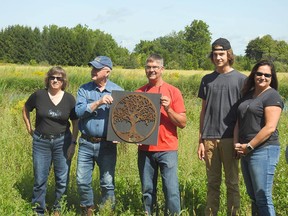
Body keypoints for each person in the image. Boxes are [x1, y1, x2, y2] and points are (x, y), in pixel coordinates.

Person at [197, 38, 246, 216]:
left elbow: (244, 114)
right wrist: (200, 140)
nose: (218, 58)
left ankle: (234, 213)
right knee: (212, 183)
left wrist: (238, 140)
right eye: (215, 54)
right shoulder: (207, 80)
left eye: (221, 54)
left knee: (232, 183)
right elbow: (203, 111)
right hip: (209, 138)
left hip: (230, 139)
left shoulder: (241, 80)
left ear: (229, 54)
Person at [22, 66, 79, 216]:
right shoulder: (39, 95)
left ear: (63, 81)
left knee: (62, 178)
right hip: (41, 142)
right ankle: (38, 210)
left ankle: (58, 208)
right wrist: (29, 129)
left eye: (58, 78)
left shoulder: (69, 99)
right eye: (52, 77)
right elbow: (25, 108)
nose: (55, 80)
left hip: (63, 141)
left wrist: (73, 143)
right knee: (40, 178)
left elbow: (75, 122)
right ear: (48, 79)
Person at [136, 54, 187, 215]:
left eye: (155, 67)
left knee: (171, 190)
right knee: (147, 190)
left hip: (167, 149)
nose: (151, 70)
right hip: (145, 149)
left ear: (162, 69)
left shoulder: (173, 92)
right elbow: (133, 122)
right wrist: (134, 136)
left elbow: (183, 123)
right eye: (148, 67)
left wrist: (168, 108)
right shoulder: (139, 92)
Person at [234, 60, 283, 215]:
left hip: (264, 150)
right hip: (246, 151)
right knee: (253, 196)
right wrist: (237, 144)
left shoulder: (272, 96)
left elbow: (270, 128)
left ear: (272, 77)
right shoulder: (248, 95)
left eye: (267, 75)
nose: (263, 77)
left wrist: (249, 146)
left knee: (263, 196)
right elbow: (238, 121)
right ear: (254, 74)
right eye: (259, 73)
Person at [75, 56, 123, 215]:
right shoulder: (84, 89)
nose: (93, 71)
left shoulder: (118, 91)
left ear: (107, 72)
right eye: (92, 68)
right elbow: (78, 112)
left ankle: (106, 211)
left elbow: (124, 119)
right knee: (82, 181)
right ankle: (88, 209)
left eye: (97, 68)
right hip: (86, 143)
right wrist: (99, 102)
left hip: (107, 145)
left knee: (107, 183)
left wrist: (120, 134)